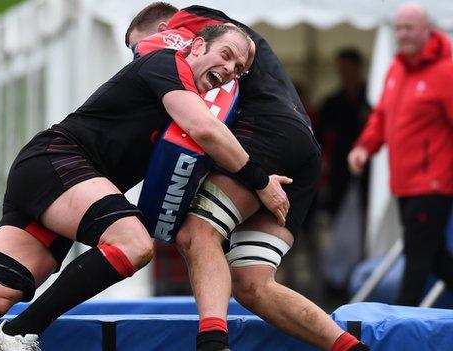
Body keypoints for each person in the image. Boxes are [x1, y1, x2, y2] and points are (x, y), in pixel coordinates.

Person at [0, 24, 289, 351]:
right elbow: (205, 129)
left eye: (239, 69)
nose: (231, 70)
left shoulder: (184, 97)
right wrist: (260, 181)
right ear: (194, 46)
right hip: (55, 163)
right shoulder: (167, 63)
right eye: (227, 55)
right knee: (133, 243)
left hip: (52, 177)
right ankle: (20, 332)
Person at [126, 4, 369, 351]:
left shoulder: (192, 25)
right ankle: (351, 347)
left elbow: (203, 118)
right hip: (301, 149)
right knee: (252, 283)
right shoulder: (224, 52)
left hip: (268, 132)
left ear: (167, 29)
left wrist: (257, 180)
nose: (141, 63)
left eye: (139, 49)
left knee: (196, 232)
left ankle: (212, 343)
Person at [348, 2, 453, 307]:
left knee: (417, 256)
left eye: (409, 28)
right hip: (405, 183)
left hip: (433, 183)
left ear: (426, 31)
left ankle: (402, 318)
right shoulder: (396, 69)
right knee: (432, 255)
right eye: (398, 28)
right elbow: (381, 116)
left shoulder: (444, 72)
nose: (402, 34)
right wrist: (364, 147)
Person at [317, 48, 370, 217]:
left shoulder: (372, 98)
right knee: (337, 205)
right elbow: (319, 134)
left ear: (358, 68)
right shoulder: (332, 102)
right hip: (339, 162)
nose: (344, 73)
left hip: (368, 161)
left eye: (348, 68)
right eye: (341, 69)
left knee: (367, 204)